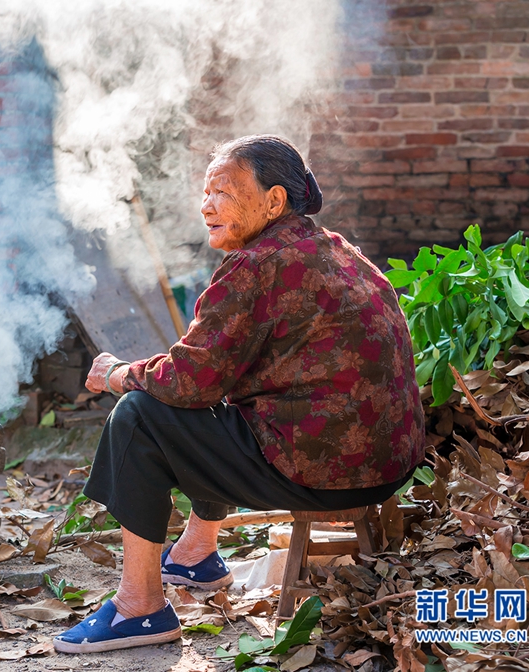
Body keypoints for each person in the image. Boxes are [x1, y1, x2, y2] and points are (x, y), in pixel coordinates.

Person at [52, 135, 425, 654]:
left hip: (327, 473)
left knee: (139, 413)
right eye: (205, 193)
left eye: (223, 192)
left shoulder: (257, 263)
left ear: (274, 201)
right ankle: (196, 554)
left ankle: (140, 607)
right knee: (223, 395)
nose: (207, 205)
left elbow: (188, 380)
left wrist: (119, 374)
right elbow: (212, 373)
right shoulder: (338, 250)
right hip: (390, 466)